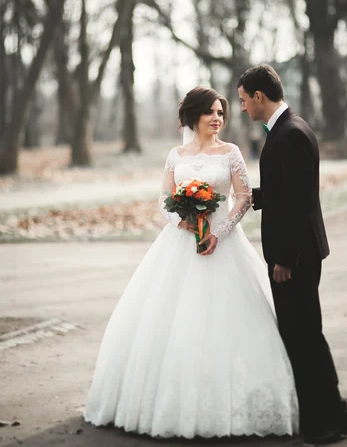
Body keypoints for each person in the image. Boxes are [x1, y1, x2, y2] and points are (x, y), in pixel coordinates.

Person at [84, 86, 298, 439]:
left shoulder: (230, 153)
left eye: (222, 113)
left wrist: (220, 231)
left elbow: (243, 198)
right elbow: (164, 198)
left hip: (224, 242)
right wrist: (179, 220)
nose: (218, 119)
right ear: (193, 117)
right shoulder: (176, 155)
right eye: (211, 113)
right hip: (180, 243)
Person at [237, 65, 347, 445]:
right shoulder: (287, 130)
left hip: (297, 257)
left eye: (243, 100)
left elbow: (300, 203)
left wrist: (285, 259)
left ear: (259, 96)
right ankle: (329, 415)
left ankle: (330, 421)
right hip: (297, 252)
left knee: (305, 335)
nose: (242, 108)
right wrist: (249, 198)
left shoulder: (291, 134)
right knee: (302, 333)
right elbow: (284, 192)